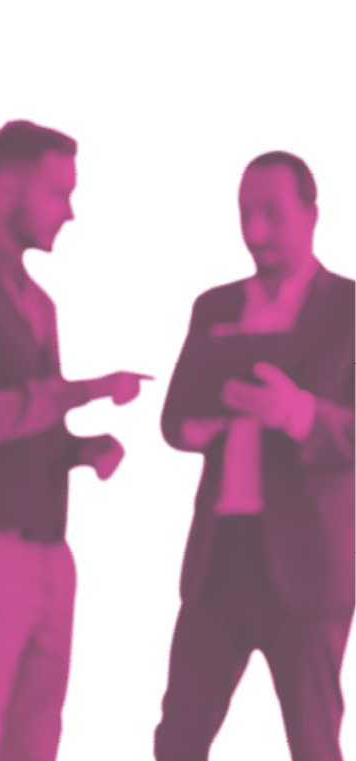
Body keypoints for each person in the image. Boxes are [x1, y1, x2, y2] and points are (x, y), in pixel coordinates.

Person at [0, 117, 157, 761]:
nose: (71, 212)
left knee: (35, 750)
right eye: (59, 193)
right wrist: (82, 389)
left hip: (52, 561)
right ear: (7, 186)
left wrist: (82, 448)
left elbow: (32, 424)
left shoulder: (40, 304)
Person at [153, 149, 355, 760]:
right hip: (219, 562)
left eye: (271, 213)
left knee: (313, 745)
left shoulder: (352, 311)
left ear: (313, 213)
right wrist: (203, 422)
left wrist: (298, 414)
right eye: (245, 214)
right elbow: (172, 423)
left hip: (309, 570)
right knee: (178, 739)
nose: (255, 231)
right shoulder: (212, 308)